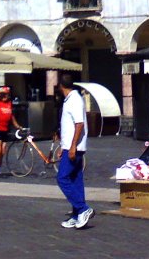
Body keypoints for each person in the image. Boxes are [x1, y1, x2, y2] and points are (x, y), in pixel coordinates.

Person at [55, 74, 92, 229]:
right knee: (76, 179)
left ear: (60, 86)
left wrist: (72, 146)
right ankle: (77, 215)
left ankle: (83, 208)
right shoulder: (71, 99)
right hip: (70, 146)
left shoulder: (75, 100)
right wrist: (64, 146)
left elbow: (79, 124)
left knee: (62, 178)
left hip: (74, 148)